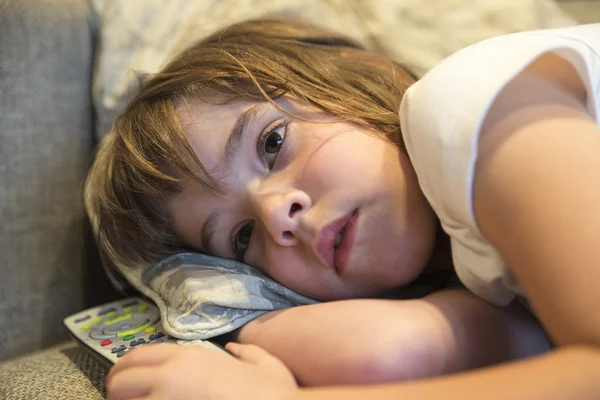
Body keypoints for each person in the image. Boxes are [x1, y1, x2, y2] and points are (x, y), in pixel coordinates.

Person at [84, 17, 600, 399]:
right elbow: (389, 351)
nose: (275, 215)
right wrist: (245, 325)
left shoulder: (467, 108)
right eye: (242, 239)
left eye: (271, 143)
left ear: (362, 74)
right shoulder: (470, 274)